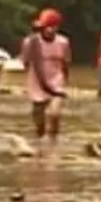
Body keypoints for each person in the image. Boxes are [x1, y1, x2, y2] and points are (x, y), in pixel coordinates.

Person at [18, 8, 71, 145]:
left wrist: (65, 80)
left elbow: (66, 63)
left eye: (53, 27)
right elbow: (25, 62)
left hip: (56, 81)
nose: (49, 30)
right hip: (37, 82)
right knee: (39, 119)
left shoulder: (63, 43)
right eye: (47, 27)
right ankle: (40, 140)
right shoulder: (31, 43)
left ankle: (54, 140)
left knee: (55, 113)